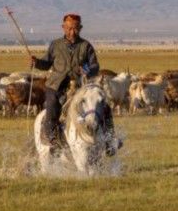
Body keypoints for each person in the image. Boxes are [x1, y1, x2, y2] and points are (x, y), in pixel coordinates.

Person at [30, 13, 119, 156]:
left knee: (104, 107)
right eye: (69, 28)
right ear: (63, 28)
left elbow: (95, 66)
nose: (72, 32)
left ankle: (110, 141)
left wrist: (88, 70)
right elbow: (46, 63)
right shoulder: (55, 45)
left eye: (76, 29)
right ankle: (52, 139)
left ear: (81, 28)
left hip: (80, 87)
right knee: (52, 105)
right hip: (56, 86)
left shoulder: (86, 46)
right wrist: (37, 63)